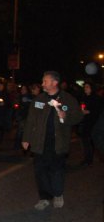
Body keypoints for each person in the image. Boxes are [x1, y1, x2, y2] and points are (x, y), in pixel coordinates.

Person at [22, 71, 83, 210]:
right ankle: (44, 198)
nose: (42, 84)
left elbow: (78, 116)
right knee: (40, 172)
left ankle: (58, 194)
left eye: (45, 81)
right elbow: (30, 120)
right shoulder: (38, 99)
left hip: (58, 143)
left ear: (55, 83)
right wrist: (26, 138)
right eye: (42, 81)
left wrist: (65, 116)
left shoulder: (67, 99)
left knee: (56, 171)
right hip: (39, 143)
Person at [77, 82, 103, 167]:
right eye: (85, 87)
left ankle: (95, 158)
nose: (85, 88)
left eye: (87, 87)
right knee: (86, 142)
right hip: (85, 122)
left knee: (96, 142)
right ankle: (88, 159)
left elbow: (97, 111)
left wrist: (89, 111)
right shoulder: (84, 97)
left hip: (94, 124)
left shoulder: (96, 98)